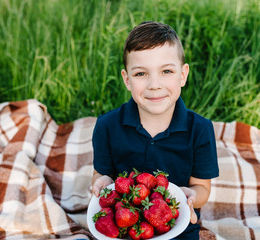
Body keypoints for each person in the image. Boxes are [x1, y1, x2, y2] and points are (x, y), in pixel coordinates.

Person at [91, 21, 219, 239]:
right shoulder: (106, 126)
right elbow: (101, 174)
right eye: (141, 74)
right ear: (127, 79)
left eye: (166, 71)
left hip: (177, 221)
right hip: (125, 225)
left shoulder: (200, 129)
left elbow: (202, 188)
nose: (154, 84)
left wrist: (191, 196)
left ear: (183, 75)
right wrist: (101, 182)